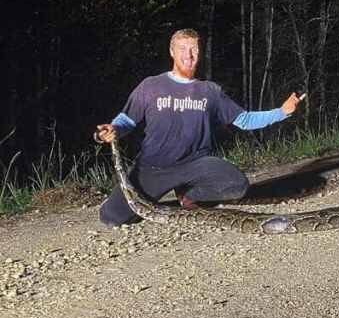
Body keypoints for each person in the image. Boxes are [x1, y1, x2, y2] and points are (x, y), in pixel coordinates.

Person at [94, 28, 305, 227]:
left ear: (199, 52)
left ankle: (188, 194)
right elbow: (126, 120)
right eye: (182, 49)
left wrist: (281, 112)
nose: (189, 55)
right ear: (171, 52)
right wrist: (111, 130)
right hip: (153, 168)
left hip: (195, 164)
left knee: (236, 184)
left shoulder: (209, 91)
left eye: (194, 49)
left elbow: (245, 120)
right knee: (111, 218)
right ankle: (146, 198)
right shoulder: (151, 86)